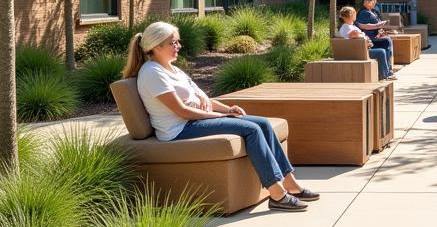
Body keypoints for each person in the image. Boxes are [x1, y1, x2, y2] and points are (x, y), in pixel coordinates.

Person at [125, 22, 318, 212]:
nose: (179, 46)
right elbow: (182, 111)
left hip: (193, 121)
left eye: (178, 42)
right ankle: (277, 194)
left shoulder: (172, 69)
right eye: (173, 43)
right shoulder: (152, 73)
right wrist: (216, 115)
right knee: (251, 129)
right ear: (157, 46)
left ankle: (291, 184)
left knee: (262, 123)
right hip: (179, 129)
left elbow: (202, 97)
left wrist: (228, 109)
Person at [339, 5, 396, 79]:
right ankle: (384, 74)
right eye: (354, 13)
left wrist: (372, 37)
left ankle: (387, 72)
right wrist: (365, 38)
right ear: (351, 15)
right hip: (360, 51)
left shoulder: (350, 26)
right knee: (381, 52)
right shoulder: (346, 27)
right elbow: (353, 34)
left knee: (386, 43)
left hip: (363, 48)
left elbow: (355, 34)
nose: (356, 14)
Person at [355, 0, 394, 65]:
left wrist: (380, 30)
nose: (375, 3)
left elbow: (377, 24)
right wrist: (377, 26)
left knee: (388, 39)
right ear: (367, 2)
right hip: (370, 39)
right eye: (374, 1)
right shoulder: (364, 13)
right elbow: (363, 26)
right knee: (387, 41)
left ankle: (388, 69)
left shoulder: (373, 12)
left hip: (375, 36)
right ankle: (387, 71)